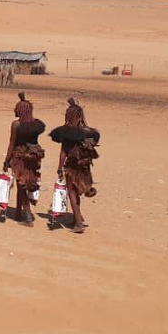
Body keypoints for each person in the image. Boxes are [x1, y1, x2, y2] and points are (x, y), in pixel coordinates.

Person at [52, 98, 100, 234]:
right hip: (85, 167)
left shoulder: (67, 133)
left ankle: (79, 222)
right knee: (76, 191)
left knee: (72, 192)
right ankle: (76, 216)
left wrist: (60, 168)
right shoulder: (90, 132)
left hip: (72, 166)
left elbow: (63, 152)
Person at [3, 93, 46, 227]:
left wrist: (6, 161)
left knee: (21, 185)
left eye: (16, 109)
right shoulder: (37, 124)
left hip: (20, 157)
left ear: (20, 111)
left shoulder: (16, 125)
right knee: (22, 183)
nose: (14, 111)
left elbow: (12, 143)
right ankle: (17, 212)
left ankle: (27, 216)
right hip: (34, 156)